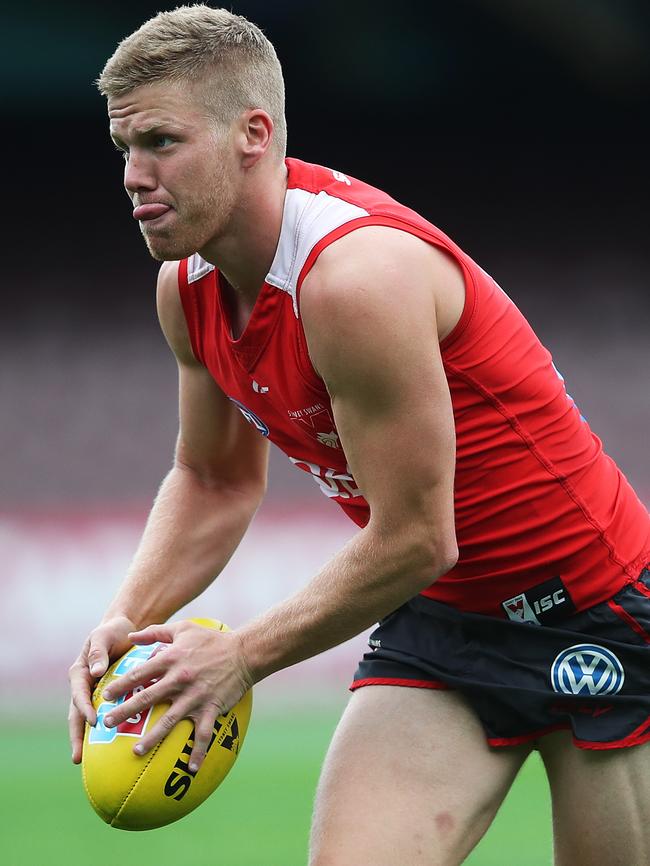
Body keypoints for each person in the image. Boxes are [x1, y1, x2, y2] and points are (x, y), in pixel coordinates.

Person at [68, 6, 650, 864]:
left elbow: (419, 536)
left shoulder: (354, 279)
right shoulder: (184, 288)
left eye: (161, 142)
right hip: (442, 627)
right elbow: (215, 480)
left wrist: (244, 659)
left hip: (597, 614)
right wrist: (126, 616)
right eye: (125, 147)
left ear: (253, 135)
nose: (133, 174)